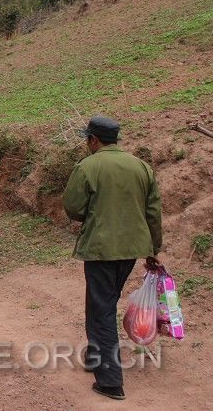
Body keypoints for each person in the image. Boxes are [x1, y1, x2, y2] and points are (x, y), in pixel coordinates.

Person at [62, 116, 162, 401]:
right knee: (105, 303)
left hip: (101, 249)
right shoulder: (141, 167)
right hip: (130, 249)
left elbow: (72, 206)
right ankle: (95, 357)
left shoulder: (88, 166)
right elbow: (153, 212)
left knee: (101, 310)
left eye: (87, 140)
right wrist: (154, 249)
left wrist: (92, 214)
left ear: (93, 140)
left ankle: (109, 381)